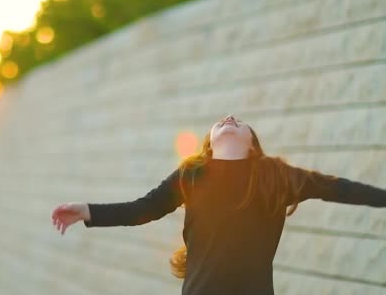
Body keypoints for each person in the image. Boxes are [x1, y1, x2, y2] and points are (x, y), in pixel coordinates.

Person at [50, 114, 386, 295]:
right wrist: (88, 212)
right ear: (209, 143)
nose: (229, 118)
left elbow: (337, 189)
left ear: (253, 145)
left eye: (240, 122)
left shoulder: (275, 175)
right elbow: (142, 209)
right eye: (221, 122)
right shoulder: (192, 174)